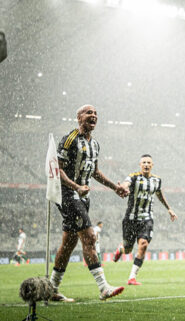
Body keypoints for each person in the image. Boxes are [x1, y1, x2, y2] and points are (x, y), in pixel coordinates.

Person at [50, 104, 129, 302]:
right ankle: (103, 287)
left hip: (83, 196)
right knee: (90, 236)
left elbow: (95, 172)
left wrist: (115, 187)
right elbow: (57, 170)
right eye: (88, 113)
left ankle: (51, 288)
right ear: (79, 118)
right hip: (68, 193)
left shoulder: (95, 144)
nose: (93, 116)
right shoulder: (70, 139)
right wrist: (76, 186)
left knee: (68, 244)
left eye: (95, 113)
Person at [113, 154, 178, 285]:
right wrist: (123, 187)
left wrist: (169, 208)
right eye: (144, 162)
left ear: (152, 165)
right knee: (128, 250)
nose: (146, 165)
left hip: (147, 218)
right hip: (130, 219)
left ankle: (132, 277)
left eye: (149, 162)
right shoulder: (134, 177)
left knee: (143, 245)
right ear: (140, 165)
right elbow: (126, 183)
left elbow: (159, 194)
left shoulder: (157, 180)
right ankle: (121, 249)